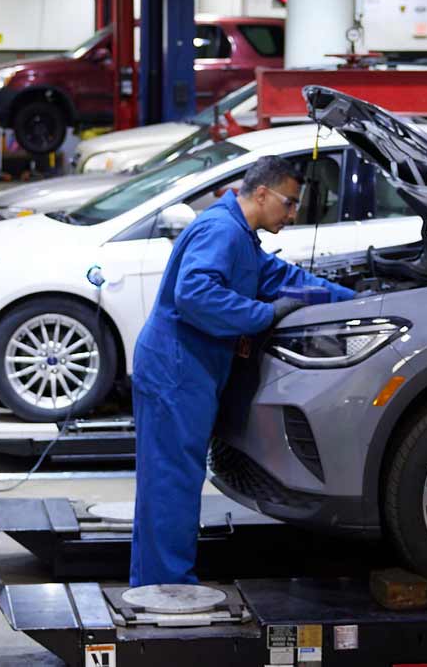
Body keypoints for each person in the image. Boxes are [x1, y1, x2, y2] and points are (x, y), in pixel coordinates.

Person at [130, 157, 356, 586]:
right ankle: (168, 588)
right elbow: (195, 293)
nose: (291, 215)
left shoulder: (241, 236)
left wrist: (355, 297)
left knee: (168, 479)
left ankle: (153, 581)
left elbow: (283, 277)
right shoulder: (222, 232)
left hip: (187, 370)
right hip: (176, 371)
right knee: (172, 482)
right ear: (262, 193)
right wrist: (264, 314)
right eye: (289, 204)